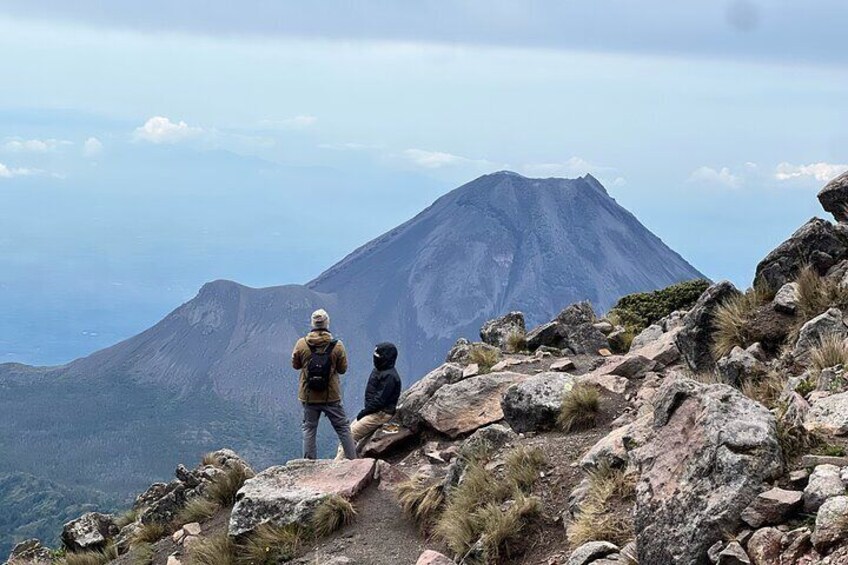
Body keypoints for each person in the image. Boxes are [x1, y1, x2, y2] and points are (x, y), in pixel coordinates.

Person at [291, 309, 358, 460]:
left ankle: (309, 464)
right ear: (327, 323)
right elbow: (342, 369)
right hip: (331, 396)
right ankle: (353, 462)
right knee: (343, 428)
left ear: (312, 324)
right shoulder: (337, 346)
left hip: (309, 395)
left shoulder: (301, 344)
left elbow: (296, 365)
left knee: (309, 429)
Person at [336, 342, 402, 459]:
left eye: (378, 354)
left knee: (349, 436)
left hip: (381, 413)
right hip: (374, 411)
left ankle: (338, 467)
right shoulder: (381, 370)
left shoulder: (390, 377)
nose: (375, 357)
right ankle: (343, 463)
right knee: (346, 435)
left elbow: (380, 400)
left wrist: (365, 412)